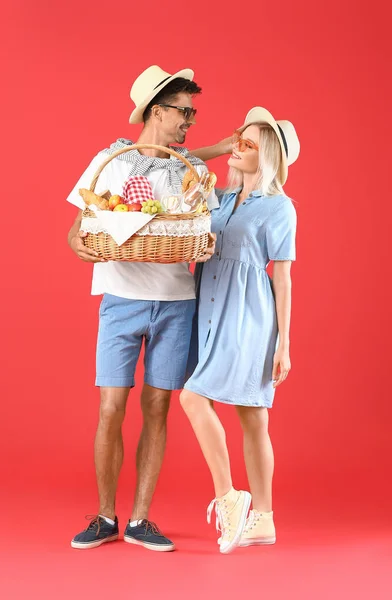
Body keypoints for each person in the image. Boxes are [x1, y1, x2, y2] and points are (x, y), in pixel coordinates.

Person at [67, 65, 217, 552]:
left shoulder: (188, 171)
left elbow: (197, 226)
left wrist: (204, 243)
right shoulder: (111, 163)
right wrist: (82, 247)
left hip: (176, 301)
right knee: (111, 408)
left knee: (158, 409)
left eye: (192, 113)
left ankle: (140, 520)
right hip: (120, 299)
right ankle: (105, 516)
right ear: (158, 111)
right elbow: (76, 229)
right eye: (184, 112)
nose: (189, 122)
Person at [180, 107, 300, 554]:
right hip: (208, 307)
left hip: (249, 315)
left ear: (267, 155)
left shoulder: (280, 207)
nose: (237, 147)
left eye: (248, 143)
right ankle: (263, 521)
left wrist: (284, 343)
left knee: (205, 400)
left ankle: (232, 499)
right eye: (237, 138)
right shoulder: (221, 198)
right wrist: (223, 147)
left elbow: (283, 276)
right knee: (252, 417)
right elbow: (183, 159)